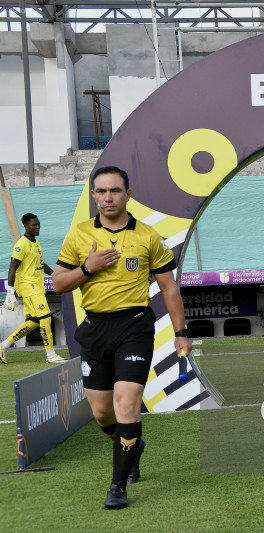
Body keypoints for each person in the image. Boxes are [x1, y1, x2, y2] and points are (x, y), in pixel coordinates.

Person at [52, 166, 192, 510]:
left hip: (134, 327)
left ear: (128, 195)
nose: (108, 197)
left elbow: (168, 287)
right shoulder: (79, 235)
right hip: (96, 329)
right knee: (102, 413)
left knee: (126, 405)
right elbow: (57, 284)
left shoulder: (148, 236)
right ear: (94, 196)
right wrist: (88, 268)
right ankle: (133, 446)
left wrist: (181, 333)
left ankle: (118, 486)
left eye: (115, 190)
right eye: (100, 191)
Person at [1, 213, 67, 364]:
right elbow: (12, 268)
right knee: (45, 317)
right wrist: (10, 292)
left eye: (38, 225)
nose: (37, 227)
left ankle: (3, 345)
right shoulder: (21, 244)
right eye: (34, 225)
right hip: (28, 286)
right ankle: (50, 355)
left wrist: (54, 274)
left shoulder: (35, 243)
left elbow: (40, 264)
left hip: (37, 286)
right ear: (25, 226)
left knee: (35, 320)